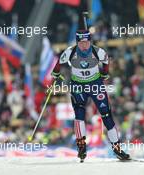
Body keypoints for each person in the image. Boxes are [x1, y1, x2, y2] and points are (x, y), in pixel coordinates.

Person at [51, 29, 130, 162]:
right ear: (77, 42)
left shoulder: (97, 52)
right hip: (78, 86)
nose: (84, 45)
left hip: (95, 84)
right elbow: (59, 63)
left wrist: (105, 74)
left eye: (87, 42)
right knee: (79, 115)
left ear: (90, 41)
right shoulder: (70, 51)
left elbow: (106, 62)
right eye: (81, 43)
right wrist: (56, 74)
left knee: (106, 114)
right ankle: (81, 146)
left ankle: (117, 148)